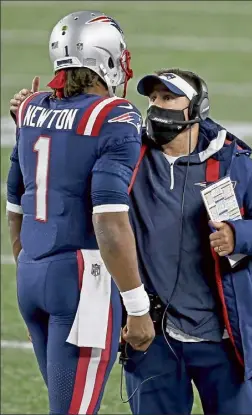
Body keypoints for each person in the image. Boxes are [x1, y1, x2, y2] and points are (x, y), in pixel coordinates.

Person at [10, 70, 252, 414]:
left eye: (168, 99)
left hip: (222, 338)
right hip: (153, 335)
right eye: (152, 99)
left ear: (197, 107)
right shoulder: (128, 154)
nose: (157, 107)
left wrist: (239, 235)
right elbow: (62, 162)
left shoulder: (234, 164)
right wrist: (32, 117)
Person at [6, 10, 154, 415]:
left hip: (32, 275)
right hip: (81, 279)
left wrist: (28, 259)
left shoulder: (32, 107)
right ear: (105, 57)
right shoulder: (115, 115)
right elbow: (108, 218)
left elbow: (15, 198)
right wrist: (138, 307)